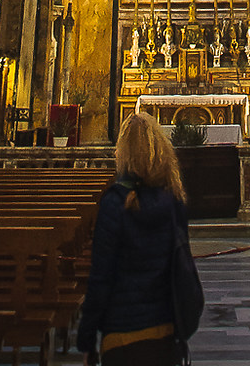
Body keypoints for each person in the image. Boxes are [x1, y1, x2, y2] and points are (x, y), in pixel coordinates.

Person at [76, 111, 191, 366]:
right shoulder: (174, 201)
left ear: (123, 151)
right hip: (164, 332)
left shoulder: (114, 204)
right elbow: (182, 267)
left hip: (120, 334)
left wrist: (86, 340)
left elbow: (100, 277)